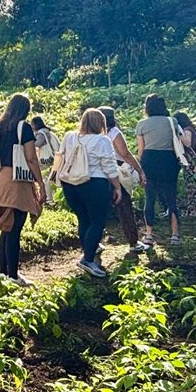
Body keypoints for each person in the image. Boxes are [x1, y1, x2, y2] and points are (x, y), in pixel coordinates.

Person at [0, 94, 46, 285]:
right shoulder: (23, 127)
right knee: (15, 228)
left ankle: (3, 272)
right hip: (14, 181)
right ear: (25, 110)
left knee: (5, 228)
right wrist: (40, 183)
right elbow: (31, 158)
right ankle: (13, 275)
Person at [53, 108, 122, 278]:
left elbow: (61, 156)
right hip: (94, 183)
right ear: (101, 123)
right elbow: (109, 166)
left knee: (83, 219)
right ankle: (88, 258)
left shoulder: (69, 136)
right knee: (97, 221)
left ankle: (89, 250)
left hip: (70, 183)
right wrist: (117, 187)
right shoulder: (102, 140)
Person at [135, 94, 183, 252]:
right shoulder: (172, 121)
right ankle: (175, 234)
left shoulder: (142, 124)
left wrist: (140, 168)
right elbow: (176, 142)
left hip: (149, 160)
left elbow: (141, 150)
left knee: (150, 197)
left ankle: (149, 234)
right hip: (168, 159)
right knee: (171, 197)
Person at [98, 107, 148, 250]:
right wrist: (139, 170)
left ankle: (95, 242)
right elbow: (125, 154)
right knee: (125, 206)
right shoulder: (114, 132)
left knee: (98, 209)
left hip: (98, 174)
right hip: (116, 173)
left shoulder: (93, 133)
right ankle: (133, 242)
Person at [174, 111, 196, 238]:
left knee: (194, 185)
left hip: (191, 161)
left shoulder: (187, 130)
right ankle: (194, 209)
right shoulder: (191, 129)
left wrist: (179, 133)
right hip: (190, 161)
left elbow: (187, 143)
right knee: (193, 185)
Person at [30, 116, 60, 210]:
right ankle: (53, 199)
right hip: (52, 159)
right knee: (52, 178)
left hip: (45, 160)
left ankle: (48, 200)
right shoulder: (48, 132)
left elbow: (37, 144)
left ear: (35, 124)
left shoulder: (41, 133)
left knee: (46, 179)